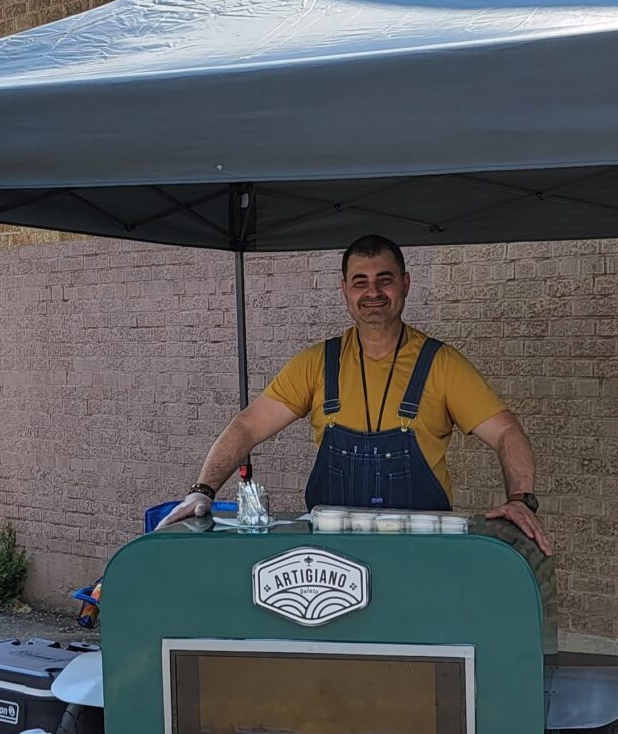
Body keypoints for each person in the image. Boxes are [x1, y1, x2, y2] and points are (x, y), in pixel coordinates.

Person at [160, 235, 551, 555]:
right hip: (331, 563)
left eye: (385, 278)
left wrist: (520, 499)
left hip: (423, 559)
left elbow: (505, 432)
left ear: (405, 284)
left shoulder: (441, 364)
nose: (373, 291)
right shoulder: (317, 364)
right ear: (344, 289)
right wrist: (202, 492)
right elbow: (246, 426)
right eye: (360, 281)